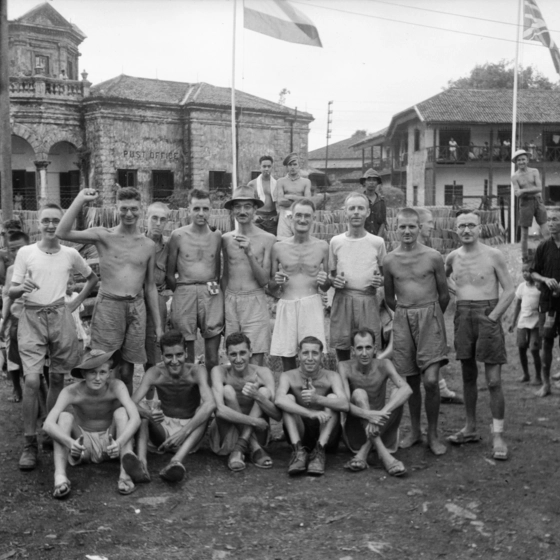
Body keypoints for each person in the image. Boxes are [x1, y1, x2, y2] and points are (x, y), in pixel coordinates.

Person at [10, 204, 98, 470]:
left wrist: (74, 304)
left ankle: (49, 430)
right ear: (38, 224)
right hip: (32, 318)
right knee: (33, 381)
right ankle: (29, 443)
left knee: (58, 378)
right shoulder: (26, 252)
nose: (50, 225)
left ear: (61, 225)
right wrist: (19, 289)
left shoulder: (70, 253)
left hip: (60, 318)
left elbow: (92, 279)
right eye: (46, 220)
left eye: (55, 221)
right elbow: (11, 291)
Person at [56, 187, 162, 394]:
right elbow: (62, 232)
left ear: (140, 209)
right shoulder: (104, 235)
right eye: (124, 209)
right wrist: (79, 199)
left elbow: (150, 286)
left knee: (127, 369)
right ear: (117, 208)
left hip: (136, 308)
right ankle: (102, 410)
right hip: (109, 306)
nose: (128, 214)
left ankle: (124, 410)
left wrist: (158, 326)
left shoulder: (148, 245)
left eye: (133, 209)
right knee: (102, 362)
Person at [445, 211, 514, 460]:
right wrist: (453, 290)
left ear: (480, 228)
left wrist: (493, 316)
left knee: (494, 380)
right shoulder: (452, 257)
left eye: (471, 225)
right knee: (468, 374)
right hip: (463, 316)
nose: (466, 230)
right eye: (461, 226)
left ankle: (498, 434)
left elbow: (509, 290)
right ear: (455, 230)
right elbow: (441, 279)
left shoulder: (493, 254)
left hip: (488, 314)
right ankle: (470, 427)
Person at [384, 208, 450, 456]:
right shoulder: (390, 260)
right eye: (402, 227)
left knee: (431, 380)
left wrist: (430, 316)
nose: (407, 231)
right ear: (396, 228)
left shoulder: (433, 257)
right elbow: (390, 298)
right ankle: (415, 431)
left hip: (430, 317)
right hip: (403, 319)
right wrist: (405, 315)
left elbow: (444, 295)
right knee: (410, 379)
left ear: (419, 227)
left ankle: (433, 434)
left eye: (412, 226)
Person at [43, 349, 142, 499]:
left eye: (102, 372)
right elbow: (48, 424)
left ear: (109, 373)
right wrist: (70, 443)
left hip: (111, 442)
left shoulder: (117, 386)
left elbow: (135, 418)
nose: (97, 378)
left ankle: (125, 474)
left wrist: (119, 443)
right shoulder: (71, 391)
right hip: (82, 443)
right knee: (64, 417)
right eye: (92, 373)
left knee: (122, 413)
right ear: (83, 374)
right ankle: (60, 477)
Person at [132, 330, 215, 483]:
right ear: (162, 356)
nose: (175, 361)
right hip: (162, 430)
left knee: (204, 410)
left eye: (179, 355)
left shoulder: (197, 371)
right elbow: (131, 402)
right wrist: (148, 414)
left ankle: (176, 461)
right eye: (169, 356)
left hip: (190, 432)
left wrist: (184, 431)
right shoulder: (155, 372)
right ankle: (141, 463)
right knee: (143, 416)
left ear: (186, 353)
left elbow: (210, 403)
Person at [338, 328, 411, 476]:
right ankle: (386, 457)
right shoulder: (344, 367)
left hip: (383, 427)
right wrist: (368, 414)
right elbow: (345, 404)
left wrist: (380, 413)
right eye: (359, 348)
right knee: (359, 394)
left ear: (375, 348)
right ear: (353, 350)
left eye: (368, 347)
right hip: (357, 432)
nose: (364, 353)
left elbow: (407, 389)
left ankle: (365, 451)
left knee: (398, 392)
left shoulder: (384, 364)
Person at [269, 198, 330, 371]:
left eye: (307, 216)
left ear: (313, 218)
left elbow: (326, 286)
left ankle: (312, 394)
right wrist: (276, 281)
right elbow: (271, 287)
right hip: (287, 303)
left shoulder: (322, 247)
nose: (302, 220)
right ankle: (290, 393)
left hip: (312, 303)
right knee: (287, 354)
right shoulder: (279, 248)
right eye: (299, 215)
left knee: (312, 354)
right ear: (291, 218)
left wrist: (325, 281)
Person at [166, 189, 223, 371]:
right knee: (187, 357)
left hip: (210, 293)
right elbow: (169, 273)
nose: (201, 213)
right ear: (189, 209)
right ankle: (190, 397)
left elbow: (218, 270)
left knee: (213, 358)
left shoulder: (217, 236)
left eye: (205, 208)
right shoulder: (178, 235)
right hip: (185, 291)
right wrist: (183, 290)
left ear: (211, 210)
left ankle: (211, 396)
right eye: (196, 208)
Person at [275, 336, 348, 476]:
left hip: (326, 432)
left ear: (321, 355)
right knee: (288, 398)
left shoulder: (332, 376)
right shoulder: (288, 376)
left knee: (332, 398)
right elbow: (278, 400)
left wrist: (318, 399)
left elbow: (345, 404)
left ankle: (319, 451)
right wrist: (310, 413)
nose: (310, 358)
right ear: (298, 355)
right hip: (301, 432)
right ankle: (298, 452)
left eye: (314, 353)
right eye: (305, 353)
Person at [209, 332, 281, 471]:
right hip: (229, 435)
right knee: (228, 391)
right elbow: (220, 410)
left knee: (264, 393)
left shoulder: (263, 372)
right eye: (233, 354)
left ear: (250, 352)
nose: (238, 359)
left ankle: (240, 448)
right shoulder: (219, 371)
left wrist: (257, 396)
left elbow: (277, 416)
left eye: (242, 353)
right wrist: (253, 421)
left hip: (256, 432)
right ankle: (251, 447)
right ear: (226, 354)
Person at [222, 186, 276, 366]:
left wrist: (250, 253)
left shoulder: (268, 239)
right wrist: (223, 306)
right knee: (233, 359)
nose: (242, 211)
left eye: (247, 206)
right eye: (237, 206)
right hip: (231, 300)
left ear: (255, 209)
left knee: (255, 359)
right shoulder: (226, 239)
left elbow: (264, 281)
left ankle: (255, 394)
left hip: (254, 301)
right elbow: (224, 277)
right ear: (232, 210)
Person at [329, 192, 386, 361]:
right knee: (343, 349)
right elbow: (331, 277)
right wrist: (334, 281)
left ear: (367, 212)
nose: (356, 212)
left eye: (360, 208)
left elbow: (385, 276)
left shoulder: (377, 242)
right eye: (351, 208)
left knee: (368, 349)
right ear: (345, 212)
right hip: (343, 299)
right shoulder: (336, 242)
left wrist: (380, 281)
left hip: (367, 300)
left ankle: (369, 384)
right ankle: (345, 385)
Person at [415, 207, 464, 405]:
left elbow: (442, 279)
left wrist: (461, 292)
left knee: (430, 353)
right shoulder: (412, 251)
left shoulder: (431, 252)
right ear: (418, 225)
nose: (432, 225)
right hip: (414, 311)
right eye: (428, 222)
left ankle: (440, 389)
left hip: (431, 311)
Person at [530, 208, 560, 397]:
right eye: (548, 219)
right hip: (548, 303)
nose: (550, 223)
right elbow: (533, 271)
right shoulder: (543, 246)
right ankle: (546, 383)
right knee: (546, 341)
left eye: (555, 219)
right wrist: (544, 279)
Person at [1, 231, 30, 403]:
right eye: (13, 250)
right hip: (13, 318)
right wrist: (4, 321)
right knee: (12, 356)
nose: (17, 252)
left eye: (20, 248)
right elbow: (7, 297)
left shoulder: (37, 266)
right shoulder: (11, 270)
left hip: (34, 319)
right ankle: (16, 388)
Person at [144, 202, 170, 372]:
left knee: (154, 351)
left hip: (158, 302)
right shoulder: (135, 242)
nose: (158, 223)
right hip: (136, 300)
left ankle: (151, 397)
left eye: (162, 219)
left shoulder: (169, 246)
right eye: (154, 218)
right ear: (146, 219)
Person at [511, 149, 549, 263]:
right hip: (525, 203)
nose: (521, 162)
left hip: (537, 201)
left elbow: (539, 188)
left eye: (523, 159)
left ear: (527, 160)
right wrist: (526, 192)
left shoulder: (534, 171)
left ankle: (552, 252)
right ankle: (524, 257)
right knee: (524, 232)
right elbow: (517, 193)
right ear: (516, 162)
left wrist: (524, 191)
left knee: (545, 229)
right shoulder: (515, 176)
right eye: (519, 160)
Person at [509, 264, 542, 385]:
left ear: (534, 273)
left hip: (536, 323)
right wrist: (513, 322)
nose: (525, 274)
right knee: (521, 348)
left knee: (534, 349)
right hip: (522, 322)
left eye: (527, 271)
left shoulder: (539, 287)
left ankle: (538, 377)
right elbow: (518, 305)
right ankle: (526, 374)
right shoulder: (522, 287)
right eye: (523, 271)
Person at [276, 153, 312, 239]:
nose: (292, 167)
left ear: (299, 166)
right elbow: (280, 201)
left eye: (295, 164)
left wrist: (290, 196)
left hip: (301, 216)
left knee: (302, 242)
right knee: (283, 243)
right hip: (285, 216)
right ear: (287, 167)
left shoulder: (306, 182)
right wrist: (300, 199)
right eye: (290, 165)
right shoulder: (281, 181)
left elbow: (308, 201)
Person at [248, 156, 278, 235]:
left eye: (269, 166)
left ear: (272, 167)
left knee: (271, 243)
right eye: (264, 166)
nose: (266, 169)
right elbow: (248, 203)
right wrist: (253, 216)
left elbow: (279, 202)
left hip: (272, 217)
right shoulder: (252, 184)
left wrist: (277, 216)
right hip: (258, 217)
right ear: (260, 167)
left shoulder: (277, 183)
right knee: (256, 242)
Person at [361, 168, 387, 237]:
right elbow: (358, 221)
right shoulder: (360, 200)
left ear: (377, 183)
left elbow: (383, 222)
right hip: (363, 237)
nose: (371, 183)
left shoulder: (381, 201)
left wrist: (378, 238)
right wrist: (368, 238)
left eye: (374, 180)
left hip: (377, 237)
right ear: (364, 182)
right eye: (369, 180)